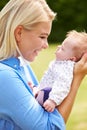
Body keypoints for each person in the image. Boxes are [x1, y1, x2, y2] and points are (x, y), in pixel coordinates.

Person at [0, 0, 87, 130]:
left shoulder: (22, 66)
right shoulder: (5, 76)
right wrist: (76, 78)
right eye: (42, 37)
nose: (46, 45)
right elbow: (51, 127)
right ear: (19, 33)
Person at [36, 30, 87, 112]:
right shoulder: (60, 64)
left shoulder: (65, 68)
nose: (58, 47)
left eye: (62, 49)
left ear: (71, 59)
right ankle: (36, 91)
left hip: (48, 97)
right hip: (43, 93)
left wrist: (53, 101)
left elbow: (63, 86)